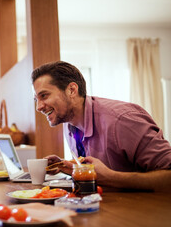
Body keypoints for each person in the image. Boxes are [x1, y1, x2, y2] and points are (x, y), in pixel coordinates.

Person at [32, 61, 171, 192]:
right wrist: (68, 167)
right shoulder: (69, 124)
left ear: (72, 90)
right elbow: (94, 170)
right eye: (36, 100)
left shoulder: (122, 120)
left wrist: (110, 177)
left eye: (44, 95)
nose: (38, 107)